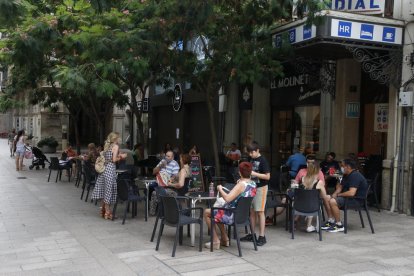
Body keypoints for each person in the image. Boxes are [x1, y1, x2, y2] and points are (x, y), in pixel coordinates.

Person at [204, 162, 257, 250]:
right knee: (218, 212)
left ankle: (216, 241)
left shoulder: (241, 185)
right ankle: (225, 239)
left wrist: (220, 189)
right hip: (243, 216)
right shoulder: (253, 184)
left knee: (207, 212)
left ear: (240, 172)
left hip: (232, 215)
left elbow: (228, 199)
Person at [323, 159, 368, 232]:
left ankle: (339, 225)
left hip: (355, 200)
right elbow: (340, 187)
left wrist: (338, 195)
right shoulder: (346, 175)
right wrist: (334, 194)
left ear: (348, 167)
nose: (341, 168)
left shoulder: (355, 175)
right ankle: (331, 221)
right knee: (326, 198)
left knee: (332, 201)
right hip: (347, 198)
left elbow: (351, 193)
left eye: (342, 166)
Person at [91, 132, 127, 220]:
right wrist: (122, 157)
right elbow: (114, 160)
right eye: (119, 137)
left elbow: (108, 157)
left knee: (105, 190)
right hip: (110, 169)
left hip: (104, 170)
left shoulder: (107, 146)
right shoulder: (115, 146)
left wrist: (118, 155)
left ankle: (103, 211)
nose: (120, 139)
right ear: (115, 139)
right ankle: (108, 212)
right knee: (109, 190)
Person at [240, 142, 270, 246]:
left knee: (260, 212)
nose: (251, 155)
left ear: (257, 150)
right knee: (252, 212)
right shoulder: (251, 159)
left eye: (252, 152)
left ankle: (262, 236)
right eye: (249, 153)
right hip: (251, 187)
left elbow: (267, 176)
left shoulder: (263, 160)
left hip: (261, 188)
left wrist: (255, 174)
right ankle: (252, 234)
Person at [297, 162, 329, 233]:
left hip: (299, 206)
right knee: (314, 200)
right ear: (317, 170)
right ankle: (309, 226)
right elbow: (324, 196)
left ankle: (308, 225)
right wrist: (328, 196)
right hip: (312, 207)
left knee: (309, 199)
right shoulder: (319, 182)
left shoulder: (302, 179)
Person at [149, 150, 180, 215]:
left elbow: (174, 177)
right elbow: (154, 172)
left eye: (168, 156)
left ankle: (160, 207)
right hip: (159, 182)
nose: (166, 157)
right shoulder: (162, 161)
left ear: (172, 157)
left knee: (156, 191)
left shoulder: (175, 164)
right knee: (150, 186)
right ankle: (153, 209)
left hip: (168, 184)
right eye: (166, 155)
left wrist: (166, 180)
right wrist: (160, 166)